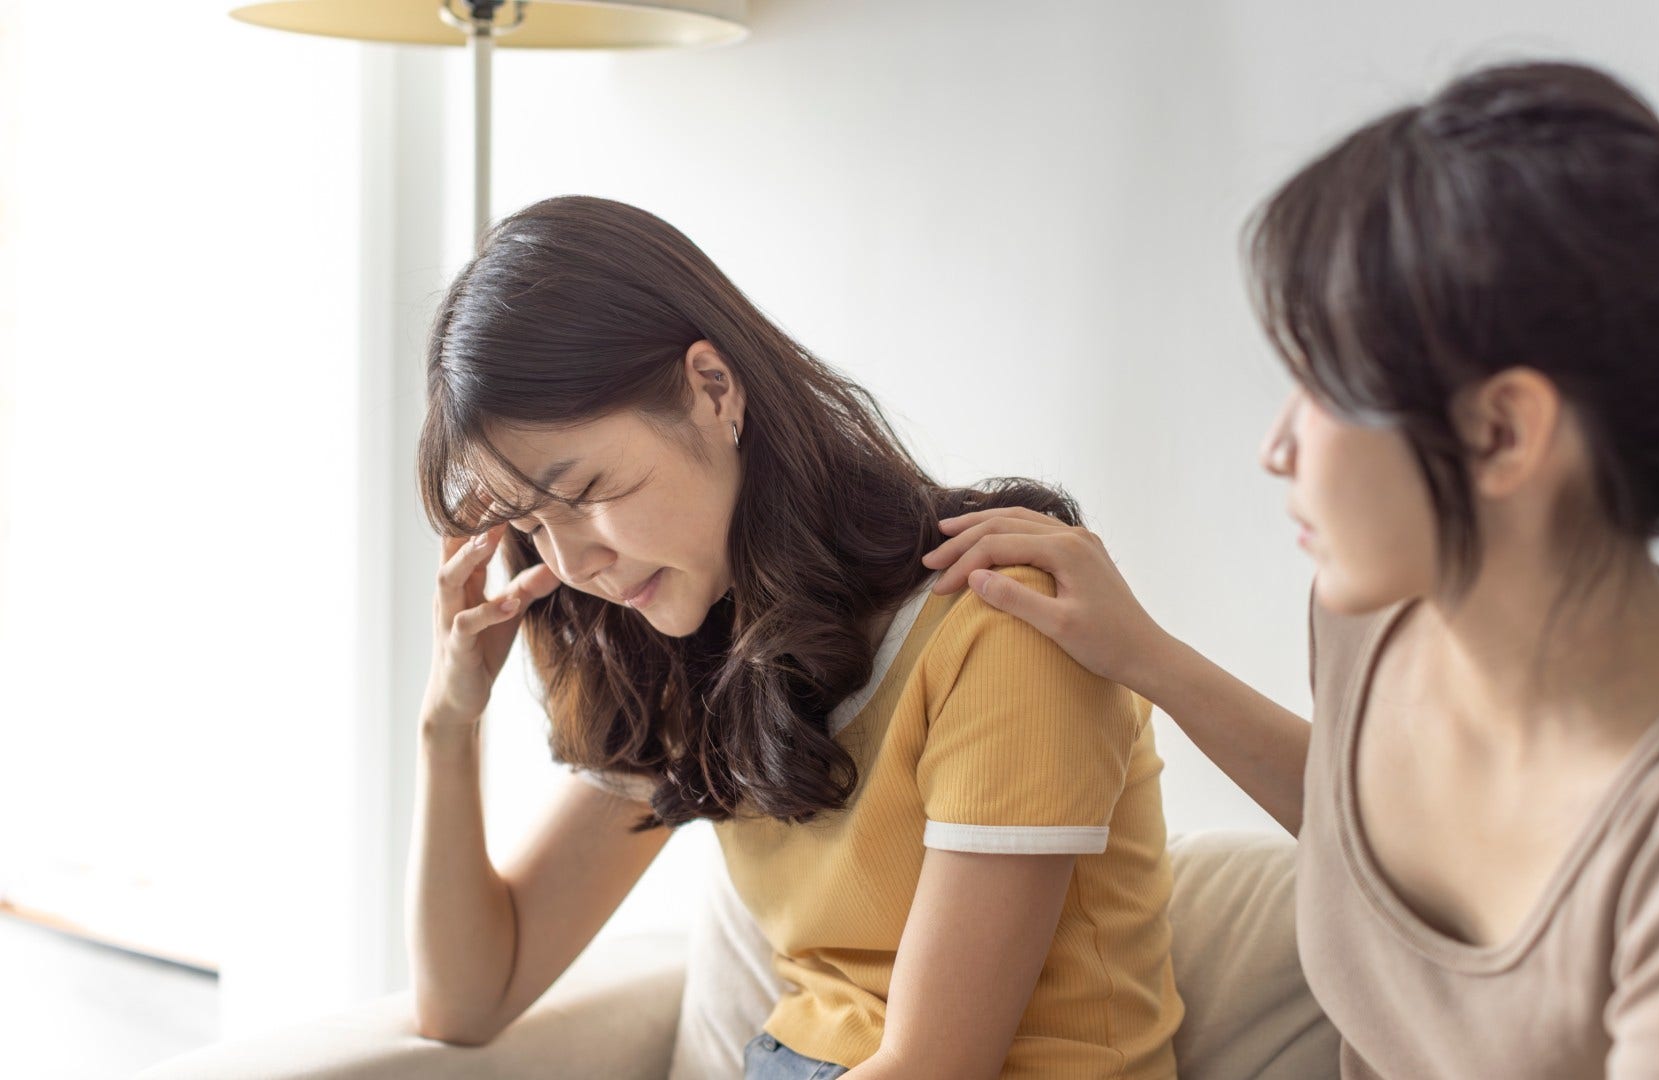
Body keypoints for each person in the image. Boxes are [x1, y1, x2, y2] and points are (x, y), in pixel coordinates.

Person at [923, 60, 1659, 1079]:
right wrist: (1145, 656)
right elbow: (1368, 836)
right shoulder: (1374, 618)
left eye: (1323, 385)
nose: (1279, 446)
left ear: (1503, 432)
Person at [408, 195, 1182, 1078]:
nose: (576, 562)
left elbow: (937, 1067)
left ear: (712, 389)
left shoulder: (1000, 618)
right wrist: (447, 721)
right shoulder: (692, 648)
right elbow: (466, 1002)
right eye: (534, 527)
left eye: (586, 492)